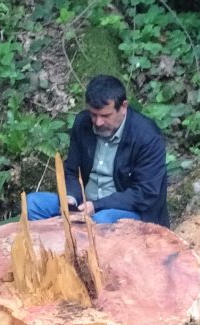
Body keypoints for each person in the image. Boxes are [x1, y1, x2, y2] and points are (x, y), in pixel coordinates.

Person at [26, 75, 168, 227]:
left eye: (105, 116)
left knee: (102, 221)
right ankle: (59, 247)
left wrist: (97, 206)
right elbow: (71, 170)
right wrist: (71, 198)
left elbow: (145, 193)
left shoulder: (147, 136)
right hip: (83, 205)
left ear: (123, 107)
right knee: (32, 204)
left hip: (127, 211)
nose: (98, 122)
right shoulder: (83, 123)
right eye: (93, 114)